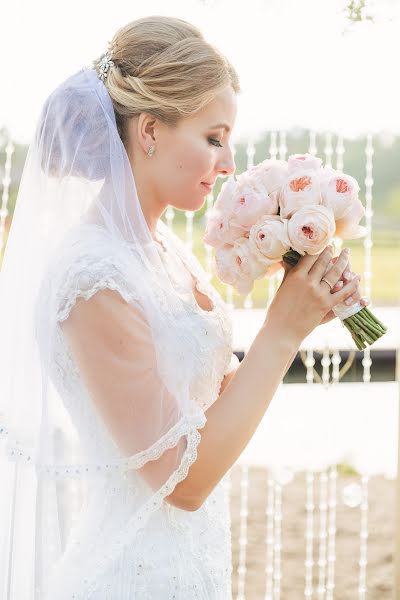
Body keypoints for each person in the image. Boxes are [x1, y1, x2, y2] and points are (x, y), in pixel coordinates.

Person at [0, 15, 366, 599]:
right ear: (149, 131)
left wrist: (300, 305)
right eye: (213, 137)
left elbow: (208, 409)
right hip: (128, 579)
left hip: (191, 569)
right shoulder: (94, 275)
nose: (227, 163)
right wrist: (278, 334)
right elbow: (180, 479)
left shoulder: (165, 250)